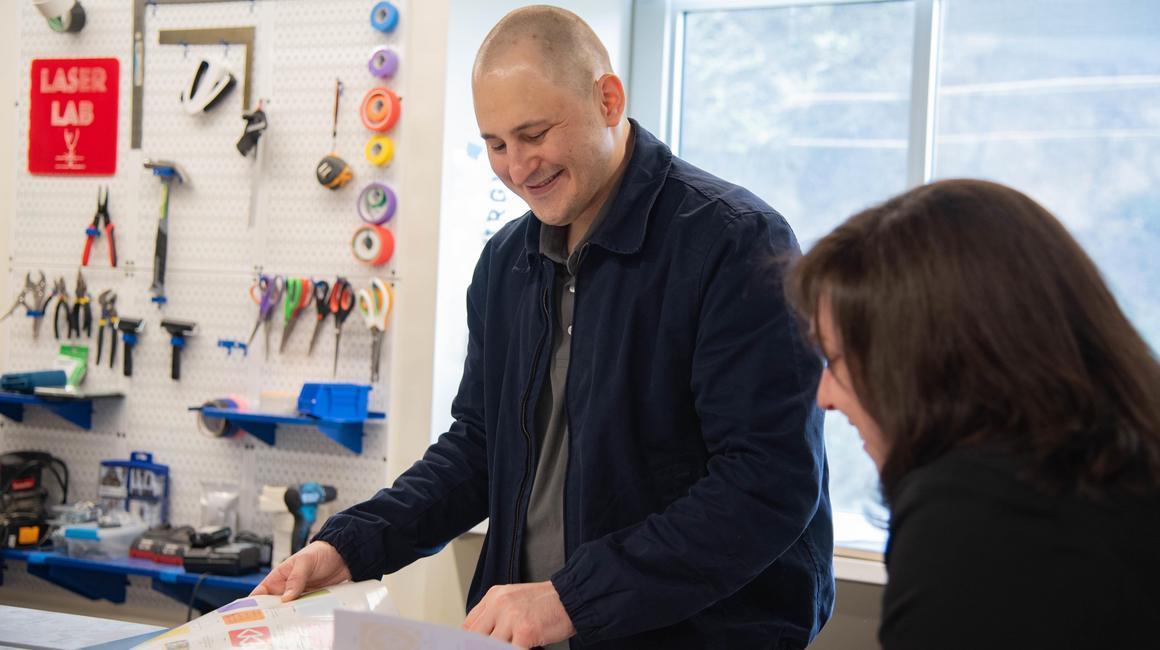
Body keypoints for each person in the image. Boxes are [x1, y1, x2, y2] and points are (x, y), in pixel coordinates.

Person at [254, 6, 833, 648]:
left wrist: (572, 598)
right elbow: (478, 449)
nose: (516, 167)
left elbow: (766, 483)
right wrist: (353, 543)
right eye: (496, 144)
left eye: (534, 134)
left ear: (608, 100)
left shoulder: (736, 244)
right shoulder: (508, 262)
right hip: (533, 635)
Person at [787, 178, 1160, 650]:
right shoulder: (1119, 466)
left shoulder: (970, 518)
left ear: (924, 360)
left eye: (837, 362)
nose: (825, 397)